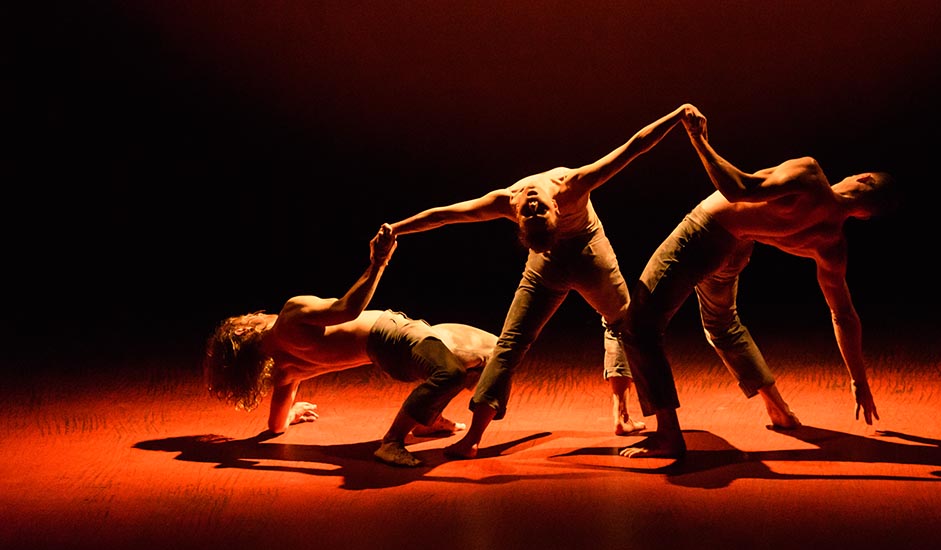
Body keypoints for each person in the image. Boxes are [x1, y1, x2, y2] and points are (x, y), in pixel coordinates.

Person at [387, 104, 697, 459]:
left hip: (589, 255)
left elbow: (634, 146)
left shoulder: (572, 186)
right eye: (531, 212)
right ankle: (472, 438)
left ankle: (628, 417)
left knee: (627, 329)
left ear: (557, 209)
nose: (533, 205)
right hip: (546, 265)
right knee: (509, 346)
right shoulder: (509, 201)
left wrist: (676, 117)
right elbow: (445, 216)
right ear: (518, 220)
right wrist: (397, 229)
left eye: (537, 210)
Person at [620, 106, 898, 458]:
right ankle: (777, 408)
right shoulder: (832, 244)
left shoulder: (811, 176)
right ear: (864, 215)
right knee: (721, 325)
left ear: (862, 179)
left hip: (705, 235)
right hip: (735, 250)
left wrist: (699, 141)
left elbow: (738, 190)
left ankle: (668, 434)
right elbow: (843, 315)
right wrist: (859, 381)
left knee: (639, 327)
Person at [203, 224, 499, 468]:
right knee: (460, 368)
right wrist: (378, 262)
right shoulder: (290, 316)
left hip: (387, 356)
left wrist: (291, 413)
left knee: (483, 358)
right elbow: (348, 309)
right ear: (242, 329)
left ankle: (427, 420)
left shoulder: (284, 371)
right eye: (247, 317)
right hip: (390, 335)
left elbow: (276, 426)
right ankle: (392, 442)